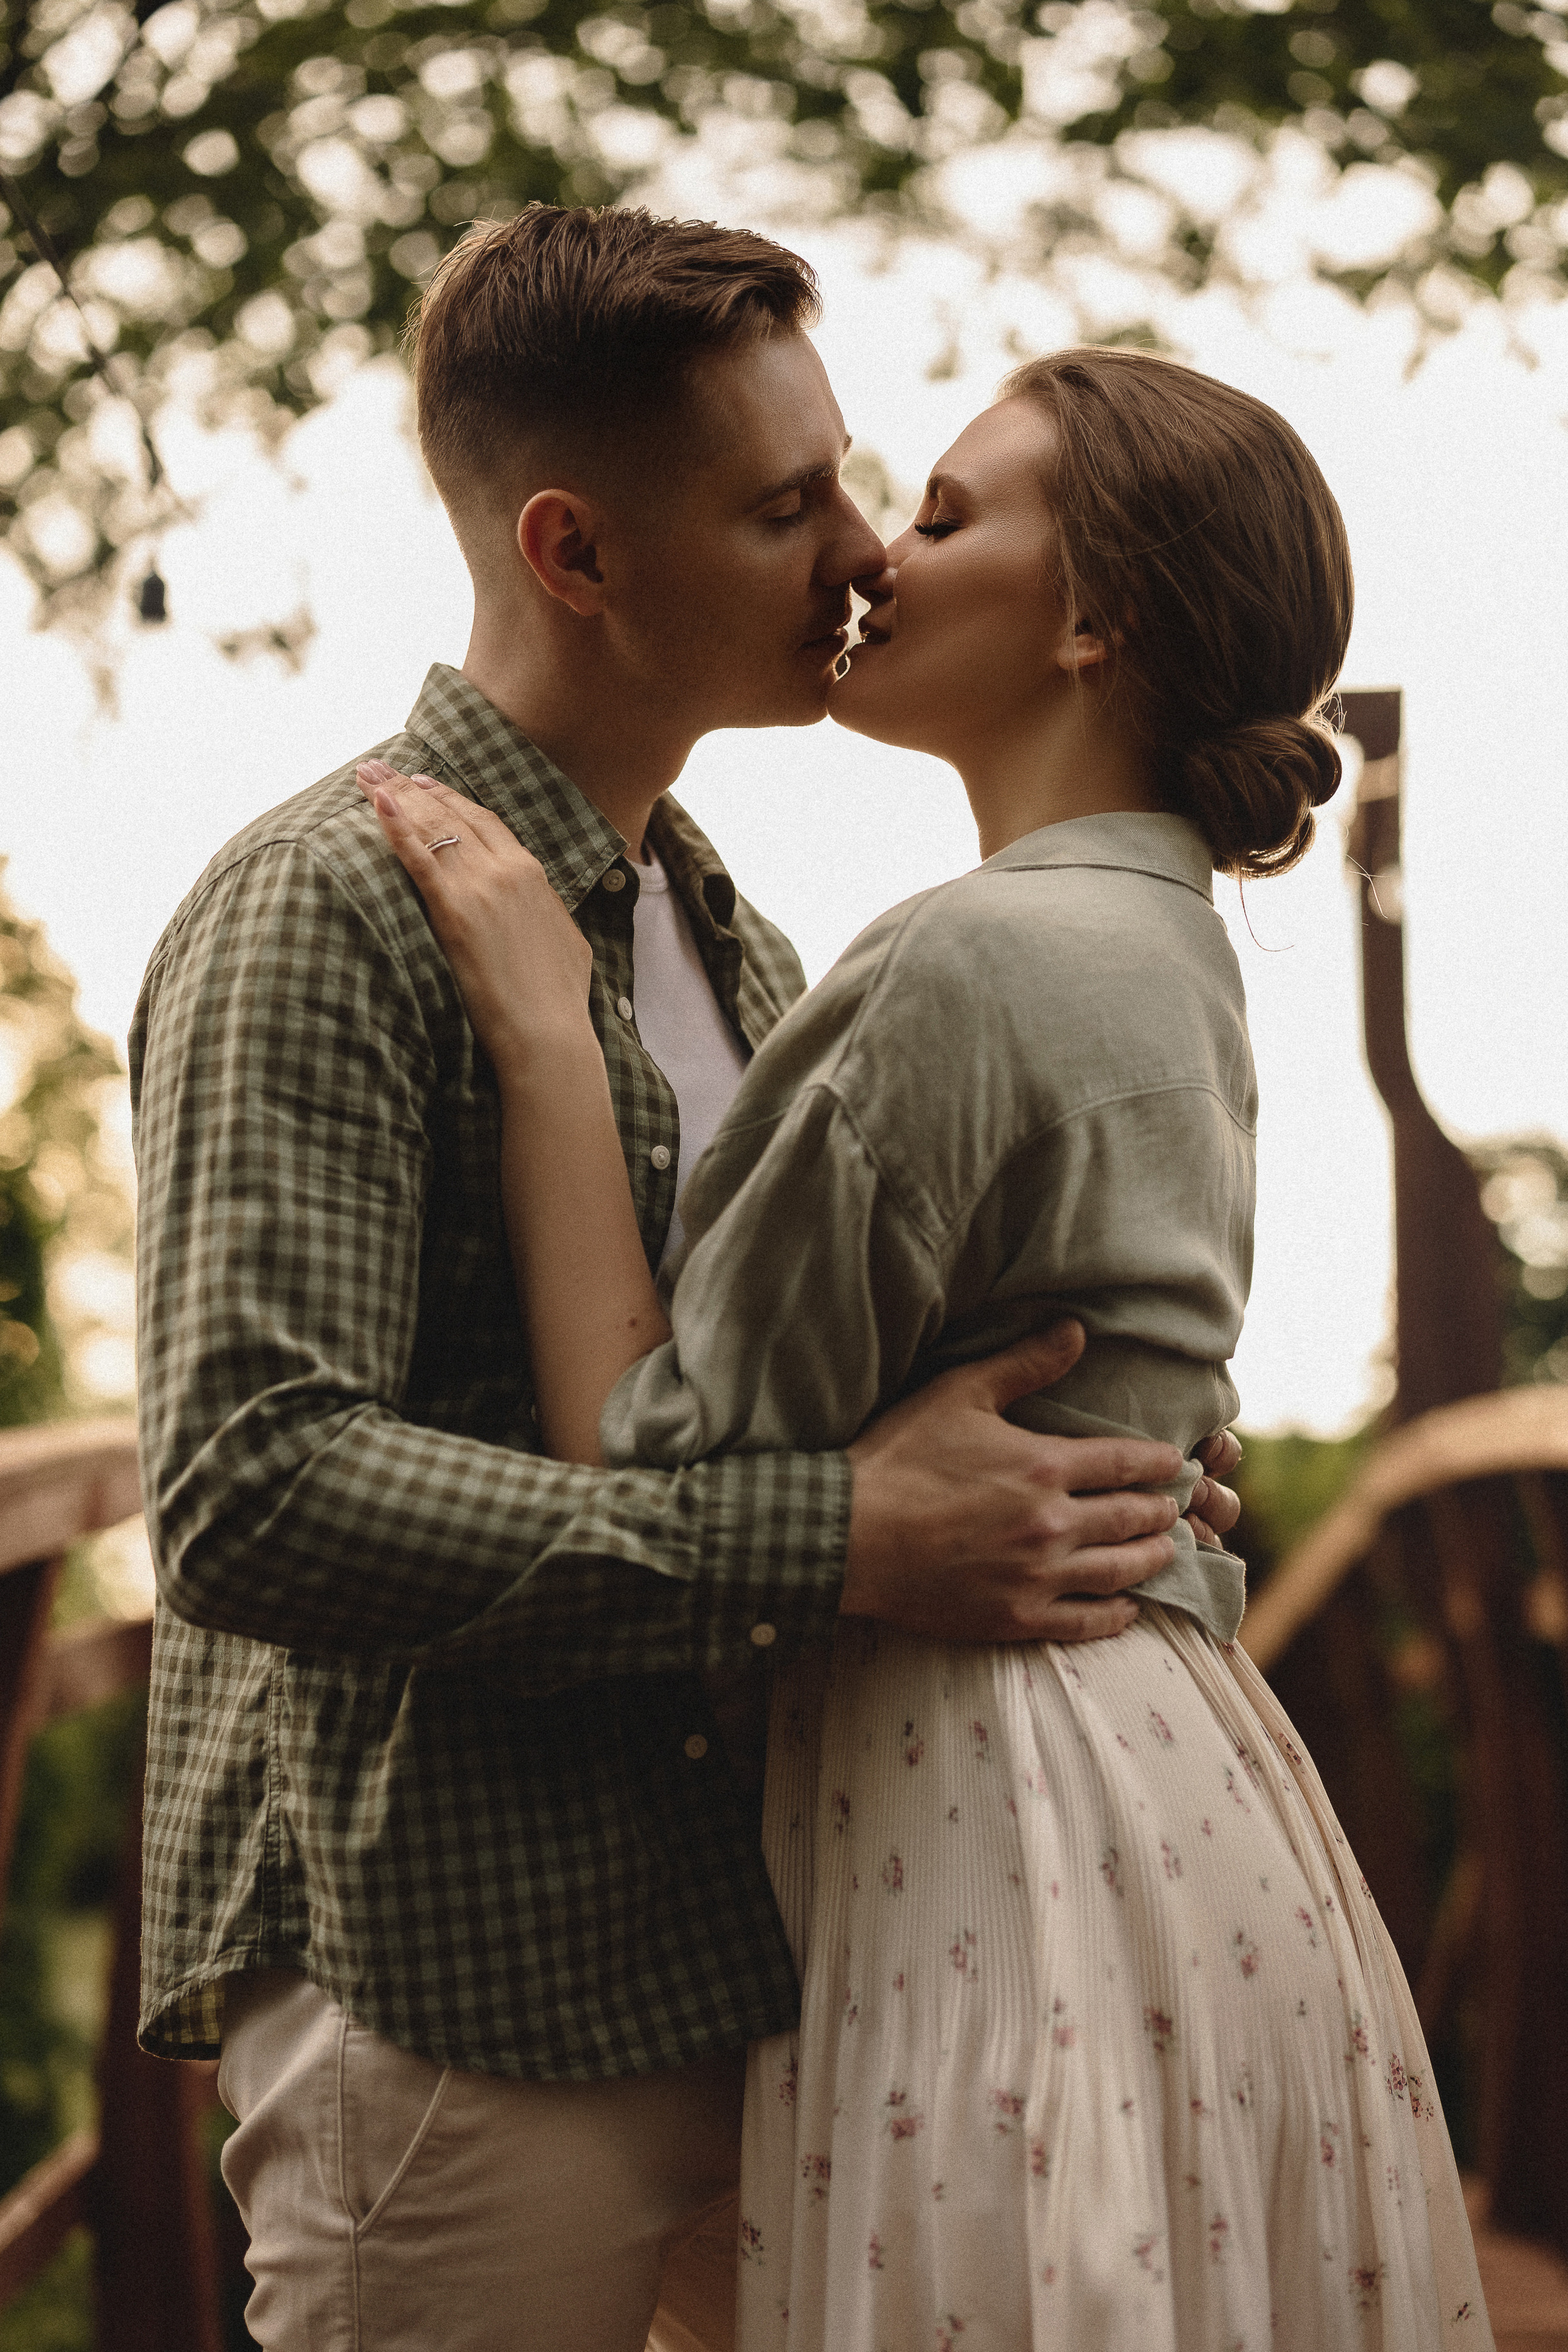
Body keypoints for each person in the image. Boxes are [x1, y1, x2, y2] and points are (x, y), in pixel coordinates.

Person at [129, 206, 1242, 2352]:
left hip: (754, 1950)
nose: (863, 551)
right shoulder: (321, 908)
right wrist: (844, 1534)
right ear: (575, 553)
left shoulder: (738, 943)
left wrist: (1099, 1462)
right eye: (782, 505)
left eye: (852, 481)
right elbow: (253, 1491)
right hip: (452, 1992)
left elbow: (799, 1405)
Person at [361, 345, 1494, 2348]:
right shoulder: (1173, 946)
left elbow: (651, 1452)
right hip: (1197, 1791)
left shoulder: (971, 957)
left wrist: (545, 1037)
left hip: (997, 1803)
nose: (879, 551)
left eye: (948, 516)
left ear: (1091, 619)